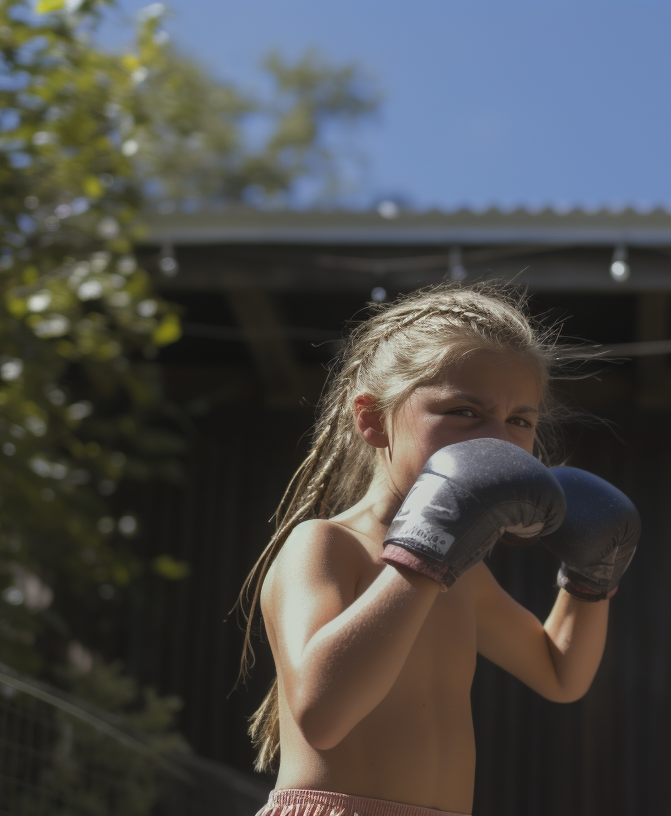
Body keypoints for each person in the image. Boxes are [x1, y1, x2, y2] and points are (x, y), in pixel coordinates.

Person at [235, 282, 638, 816]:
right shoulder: (326, 545)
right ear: (373, 419)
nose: (497, 439)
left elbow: (560, 672)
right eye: (465, 410)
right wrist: (423, 557)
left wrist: (591, 580)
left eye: (520, 420)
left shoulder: (463, 574)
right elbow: (322, 715)